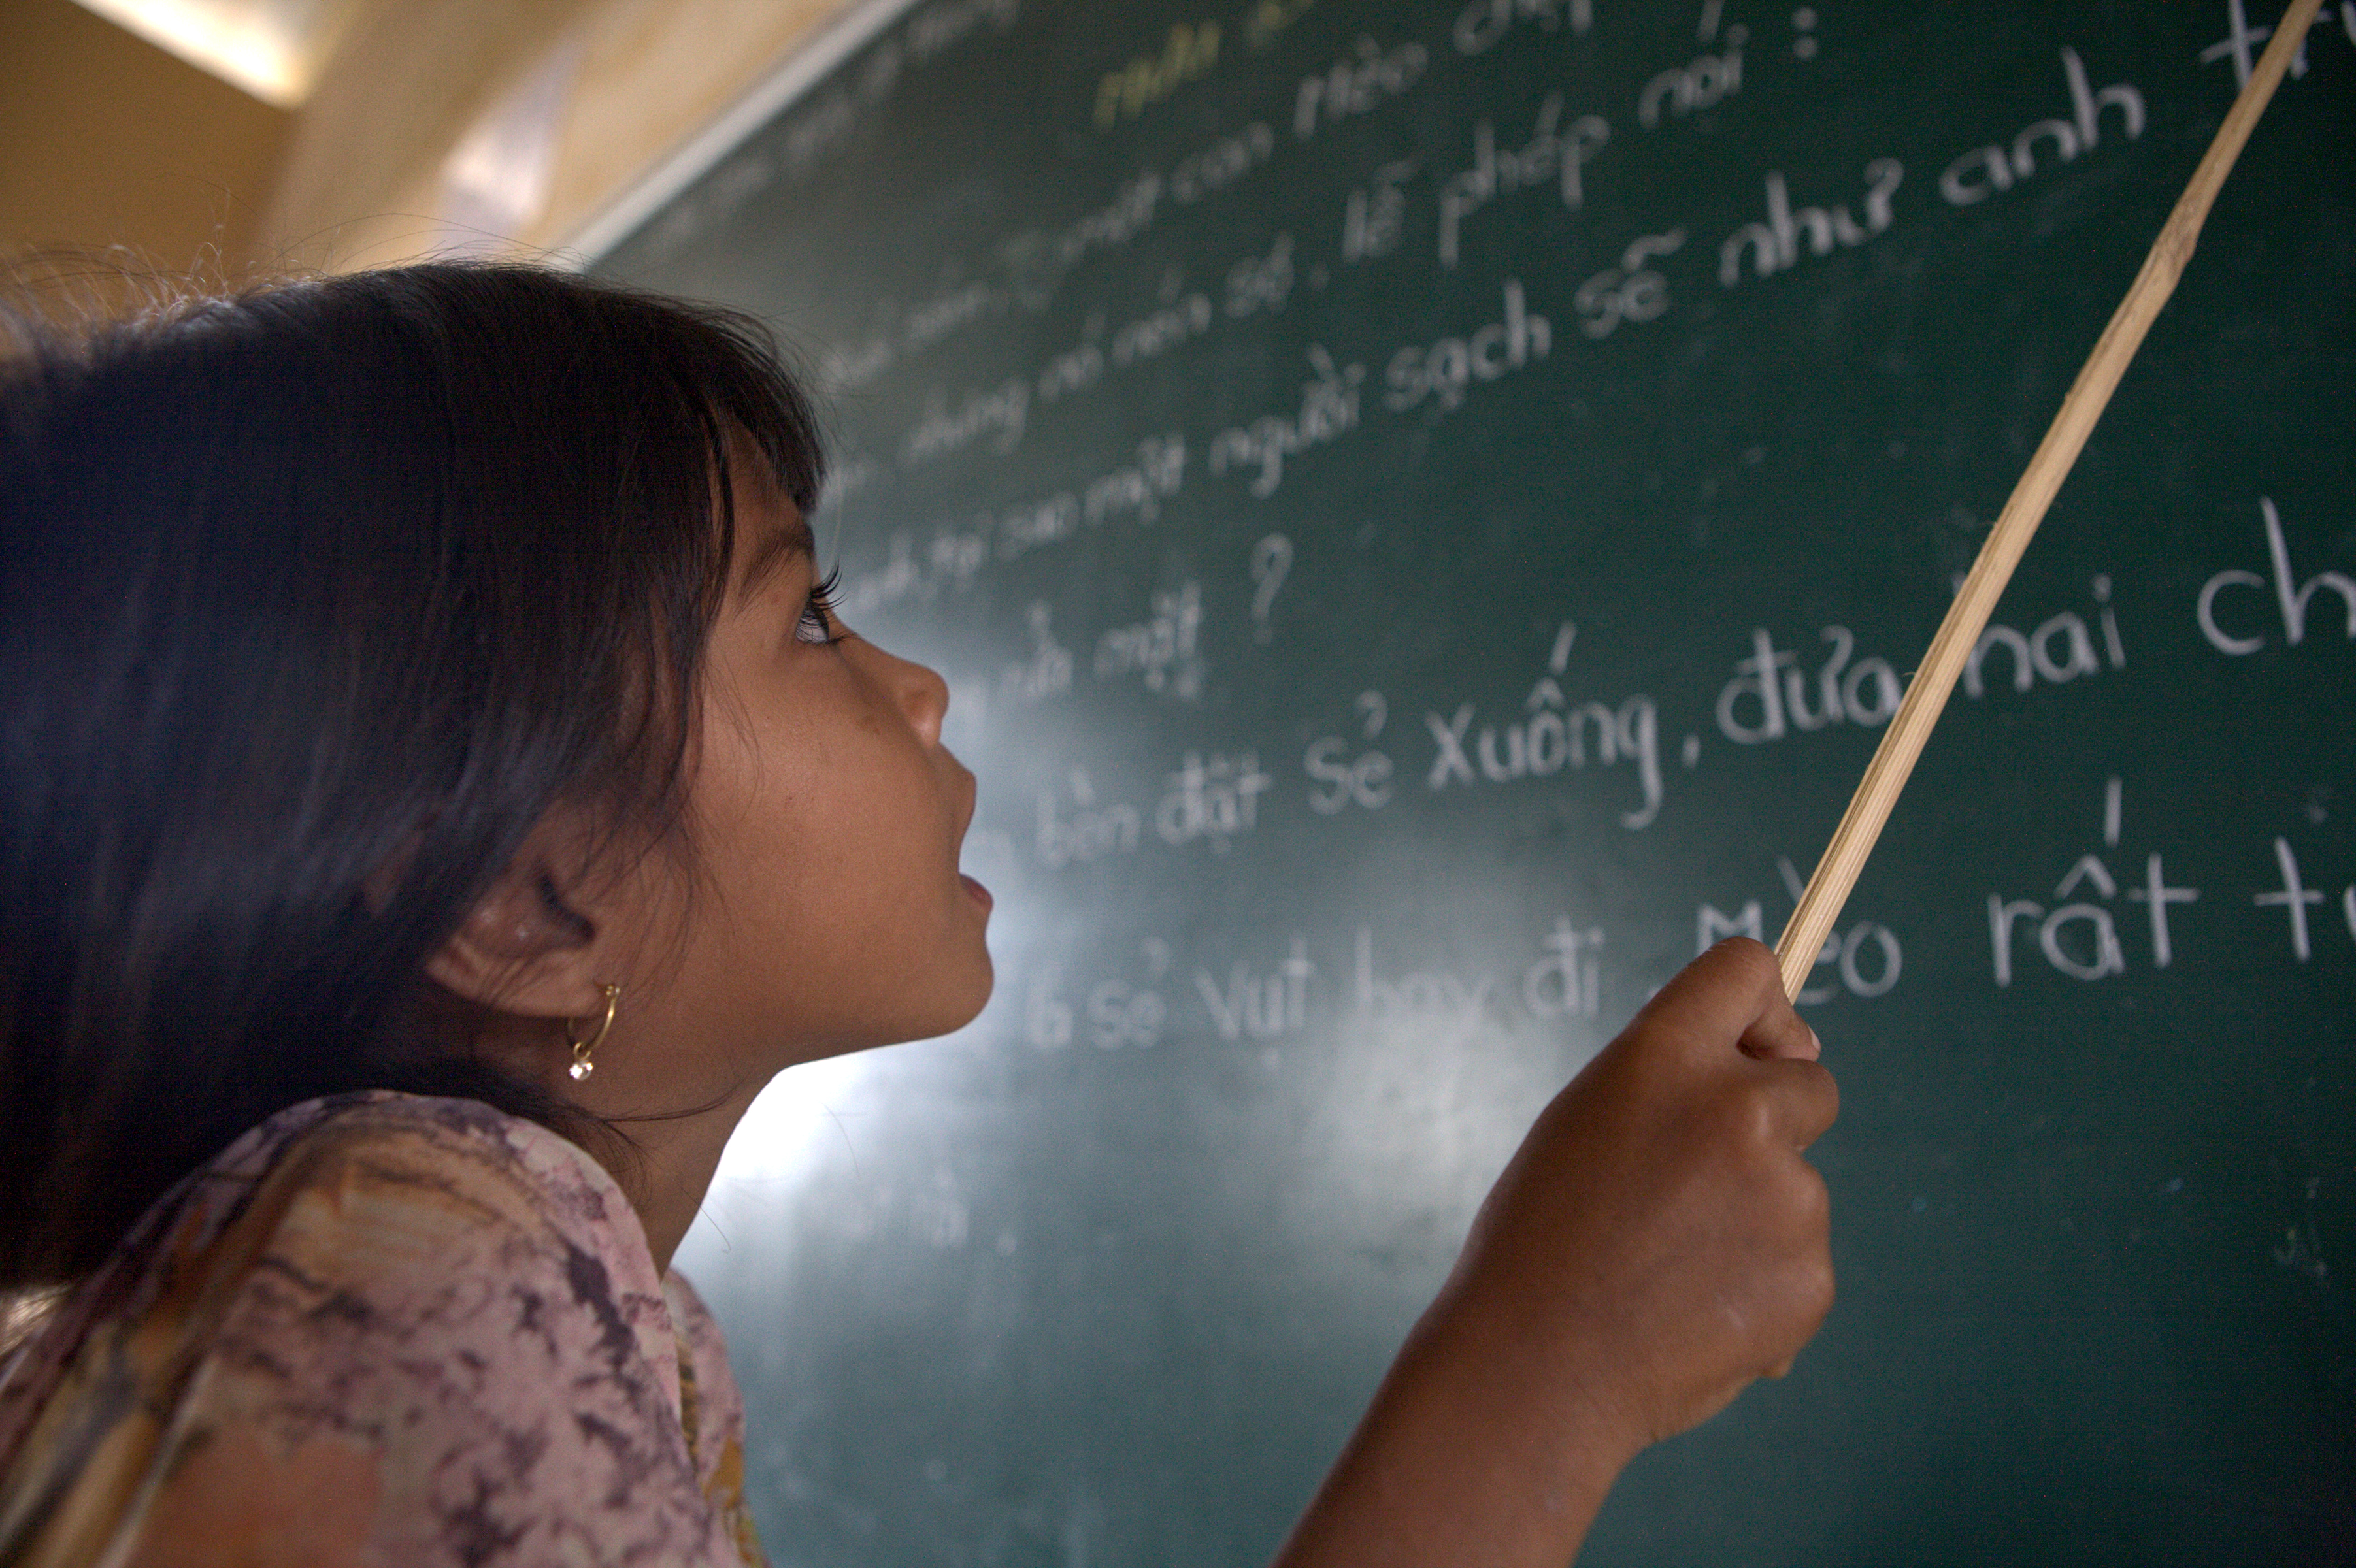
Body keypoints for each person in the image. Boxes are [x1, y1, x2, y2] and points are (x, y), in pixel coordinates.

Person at [0, 263, 1835, 1567]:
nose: (919, 689)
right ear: (531, 899)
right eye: (805, 617)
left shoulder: (441, 1274)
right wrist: (1547, 1369)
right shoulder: (407, 1259)